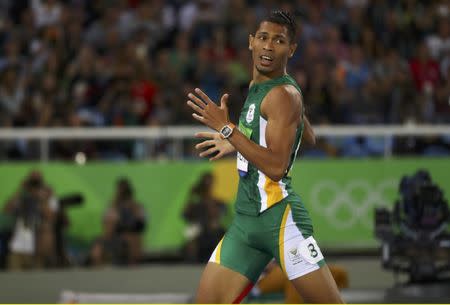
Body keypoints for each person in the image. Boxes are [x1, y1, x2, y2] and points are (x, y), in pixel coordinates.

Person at [186, 10, 343, 303]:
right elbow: (308, 136)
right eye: (263, 38)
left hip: (280, 221)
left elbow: (277, 167)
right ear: (251, 42)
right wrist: (238, 141)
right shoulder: (263, 86)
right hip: (246, 222)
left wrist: (228, 129)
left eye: (279, 41)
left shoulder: (283, 95)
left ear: (291, 49)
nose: (269, 46)